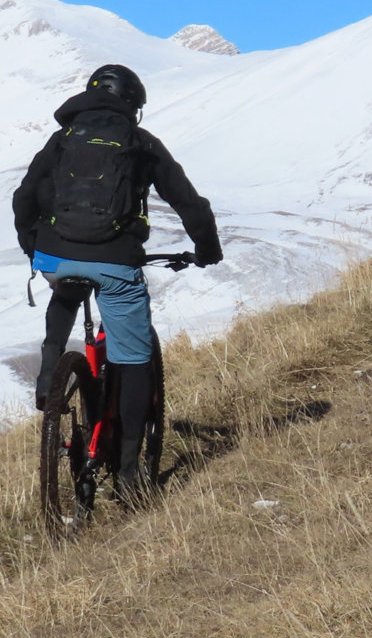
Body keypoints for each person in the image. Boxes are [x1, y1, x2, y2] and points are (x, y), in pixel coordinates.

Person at [12, 63, 222, 501]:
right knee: (134, 360)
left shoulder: (62, 139)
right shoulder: (142, 144)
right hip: (115, 261)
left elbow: (24, 196)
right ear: (134, 107)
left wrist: (34, 246)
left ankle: (50, 374)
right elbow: (190, 204)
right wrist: (206, 251)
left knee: (65, 290)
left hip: (54, 256)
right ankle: (130, 477)